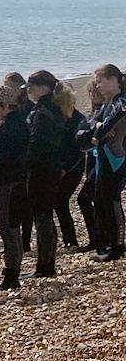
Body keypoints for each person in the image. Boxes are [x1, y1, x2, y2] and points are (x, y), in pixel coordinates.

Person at [76, 64, 126, 262]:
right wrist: (97, 129)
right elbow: (92, 126)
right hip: (103, 157)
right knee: (101, 199)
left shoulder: (121, 102)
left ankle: (117, 246)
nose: (98, 85)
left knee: (111, 199)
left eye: (100, 81)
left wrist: (97, 131)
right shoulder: (108, 102)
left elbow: (102, 130)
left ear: (114, 79)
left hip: (117, 157)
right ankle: (110, 243)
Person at [0, 85, 29, 293]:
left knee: (8, 228)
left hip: (7, 181)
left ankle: (11, 275)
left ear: (3, 105)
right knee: (13, 227)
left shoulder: (10, 127)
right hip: (17, 179)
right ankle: (13, 272)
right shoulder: (19, 122)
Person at [22, 70, 68, 278]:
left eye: (31, 88)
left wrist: (25, 164)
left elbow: (36, 145)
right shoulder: (56, 107)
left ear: (43, 88)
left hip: (41, 170)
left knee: (42, 216)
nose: (29, 92)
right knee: (45, 215)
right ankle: (47, 262)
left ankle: (45, 265)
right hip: (52, 168)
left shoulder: (42, 112)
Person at [3, 72, 35, 251]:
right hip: (15, 158)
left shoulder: (27, 106)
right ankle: (17, 241)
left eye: (10, 86)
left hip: (24, 157)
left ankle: (25, 240)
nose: (8, 89)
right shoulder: (12, 106)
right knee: (15, 201)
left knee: (25, 202)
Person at [75, 80, 106, 252]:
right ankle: (98, 237)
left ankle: (101, 239)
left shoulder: (107, 110)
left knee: (87, 198)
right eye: (90, 91)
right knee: (95, 199)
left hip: (102, 159)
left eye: (94, 91)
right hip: (92, 157)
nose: (92, 94)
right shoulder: (94, 112)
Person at [53, 88, 86, 248]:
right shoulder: (57, 117)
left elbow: (78, 150)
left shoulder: (78, 119)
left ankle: (71, 240)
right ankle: (68, 240)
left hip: (73, 168)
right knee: (58, 202)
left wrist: (66, 167)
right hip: (58, 165)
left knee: (60, 201)